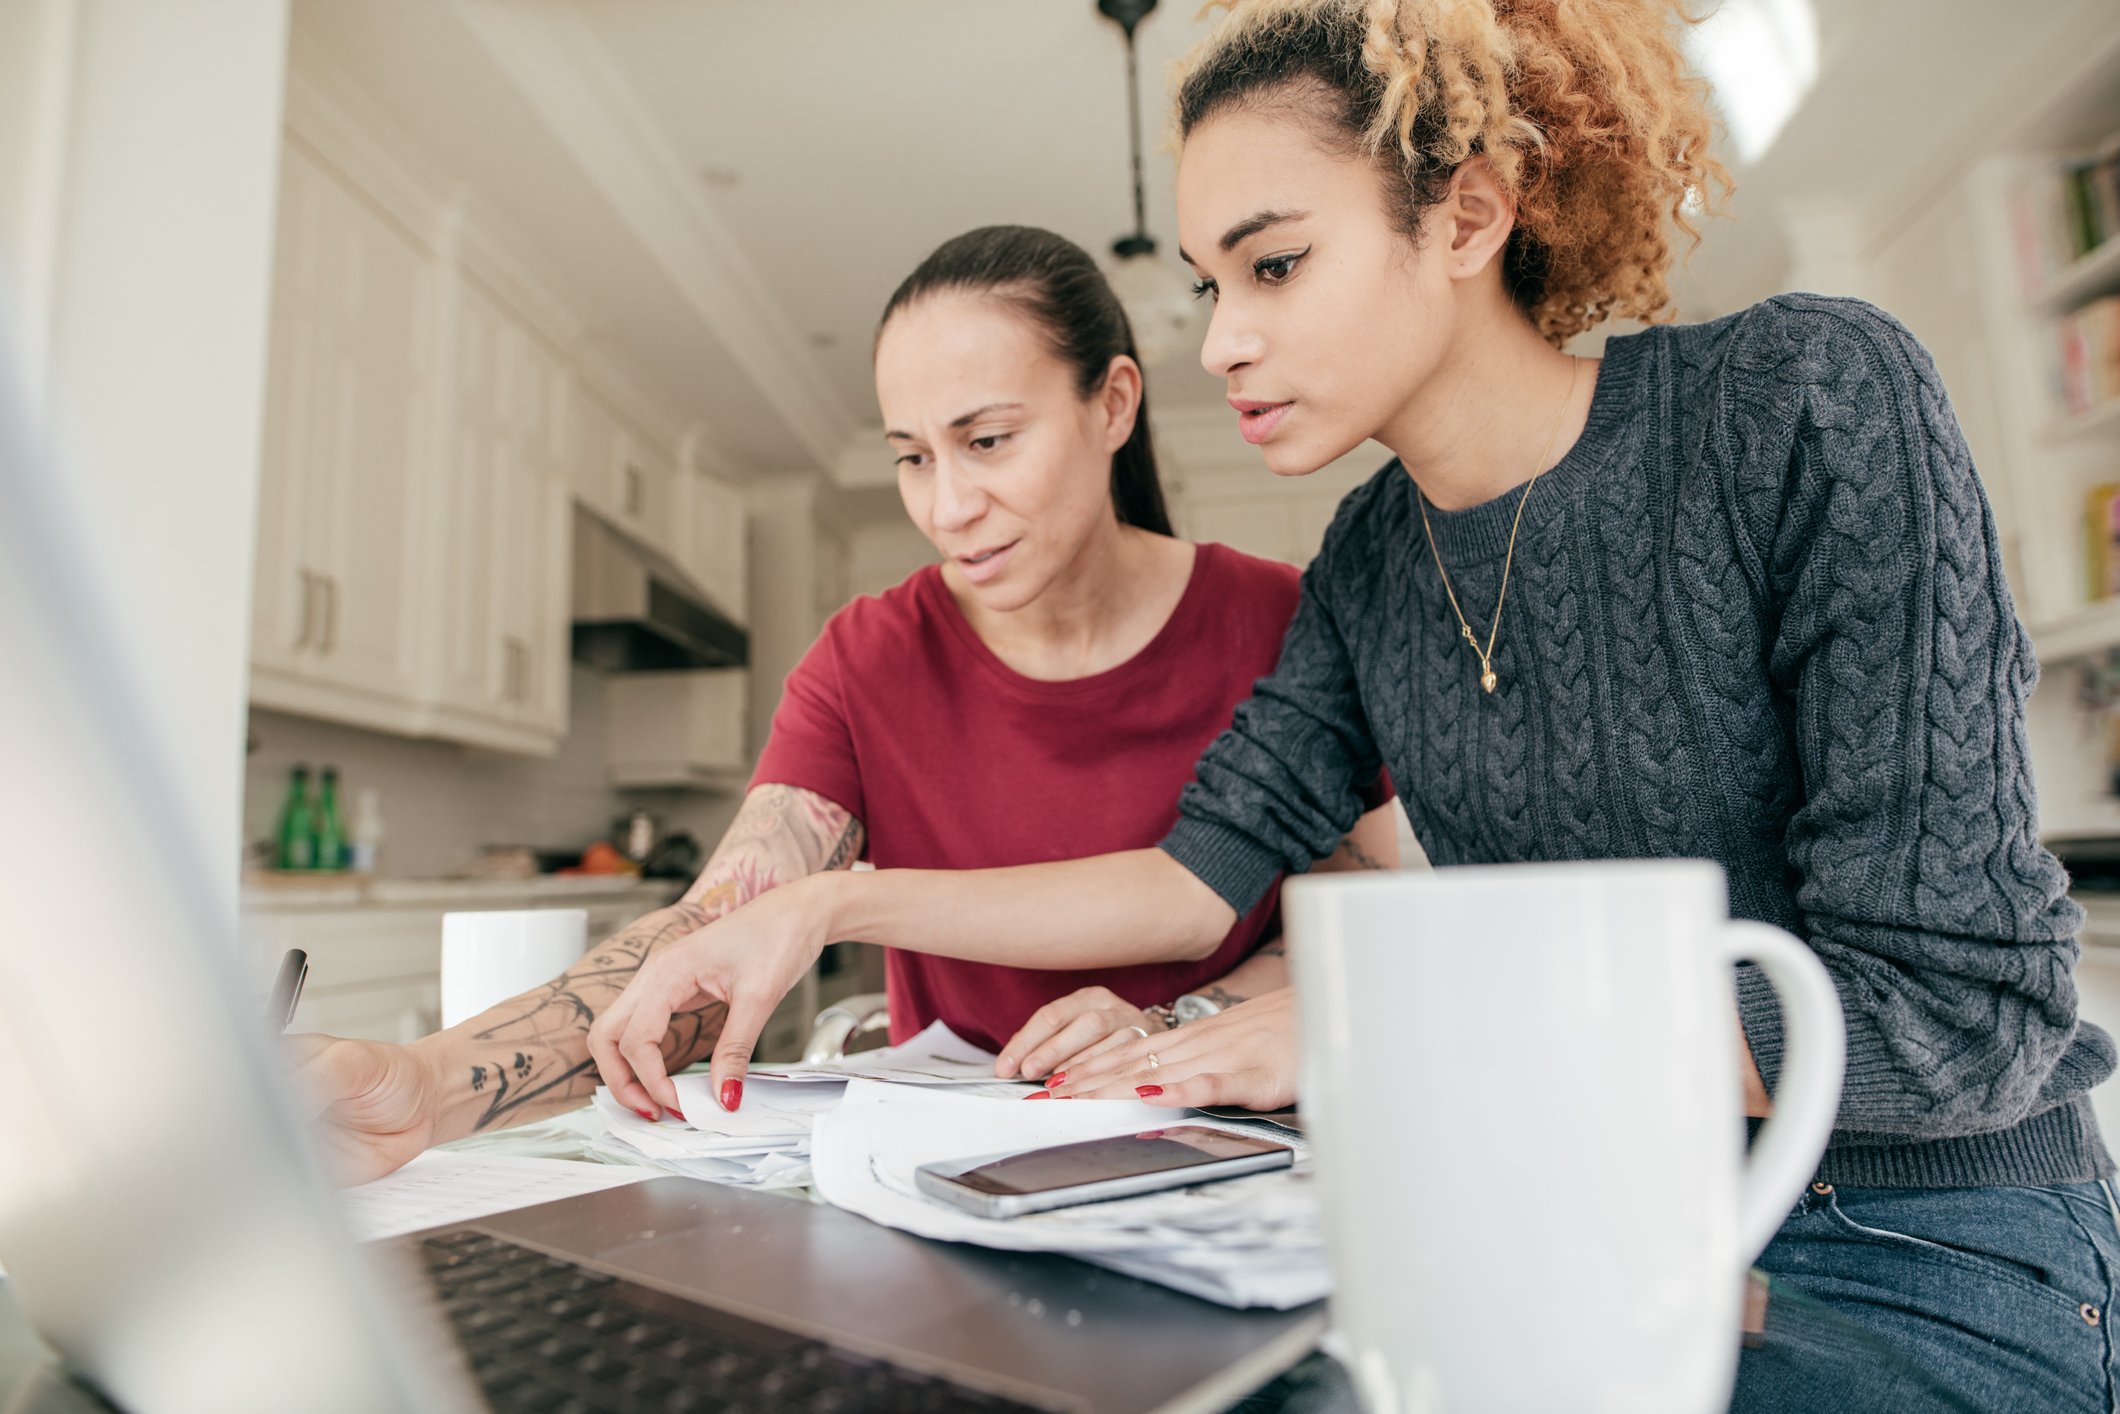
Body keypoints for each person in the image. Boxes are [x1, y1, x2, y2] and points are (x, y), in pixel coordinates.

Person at [591, 2, 2119, 1408]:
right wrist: (838, 896)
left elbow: (1952, 1009)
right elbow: (1196, 882)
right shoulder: (1374, 561)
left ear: (1465, 214)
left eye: (1275, 265)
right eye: (1208, 285)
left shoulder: (1802, 400)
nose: (1222, 341)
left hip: (1923, 1239)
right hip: (1589, 1201)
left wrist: (1368, 1035)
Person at [293, 223, 1396, 1186]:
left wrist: (1177, 1019)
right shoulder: (869, 658)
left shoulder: (1281, 619)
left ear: (1110, 402)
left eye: (987, 440)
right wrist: (423, 1084)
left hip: (1230, 1155)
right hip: (939, 1180)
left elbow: (1374, 922)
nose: (949, 505)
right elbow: (714, 935)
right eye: (913, 457)